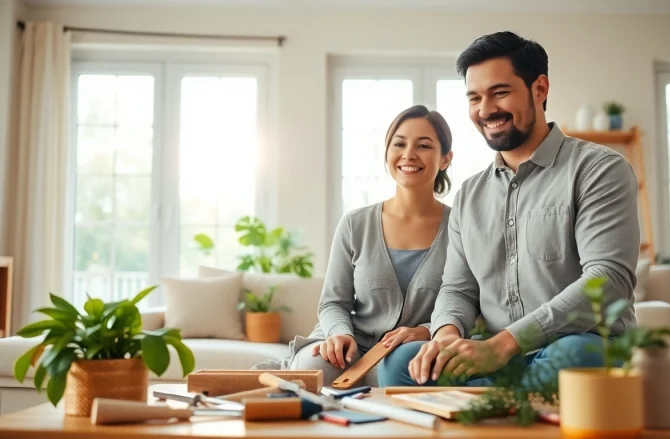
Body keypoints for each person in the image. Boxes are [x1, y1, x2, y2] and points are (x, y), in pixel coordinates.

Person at [378, 31, 640, 387]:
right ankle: (505, 400)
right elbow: (458, 289)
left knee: (575, 359)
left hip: (579, 344)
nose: (486, 110)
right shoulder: (471, 194)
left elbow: (608, 280)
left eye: (499, 92)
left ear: (540, 89)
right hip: (495, 357)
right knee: (401, 364)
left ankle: (486, 401)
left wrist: (506, 344)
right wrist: (446, 337)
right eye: (475, 98)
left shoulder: (599, 169)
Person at [256, 105, 454, 387]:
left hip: (411, 353)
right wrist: (339, 333)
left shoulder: (459, 227)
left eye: (423, 145)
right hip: (350, 346)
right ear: (387, 153)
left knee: (407, 374)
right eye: (399, 144)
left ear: (445, 159)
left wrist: (428, 330)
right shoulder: (355, 223)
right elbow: (333, 302)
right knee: (312, 371)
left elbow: (469, 301)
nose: (409, 154)